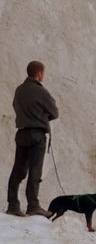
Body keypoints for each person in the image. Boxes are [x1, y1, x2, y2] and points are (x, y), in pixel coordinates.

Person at [6, 61, 59, 217]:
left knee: (18, 170)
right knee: (35, 171)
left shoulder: (19, 90)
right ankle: (33, 206)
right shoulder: (41, 92)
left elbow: (16, 106)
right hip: (37, 134)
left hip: (21, 134)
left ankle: (13, 205)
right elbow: (54, 112)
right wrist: (41, 116)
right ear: (39, 73)